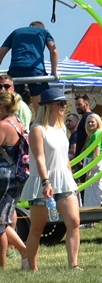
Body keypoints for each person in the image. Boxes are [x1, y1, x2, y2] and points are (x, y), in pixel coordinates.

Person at [21, 87, 80, 271]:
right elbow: (39, 158)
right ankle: (31, 267)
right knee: (37, 228)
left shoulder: (62, 128)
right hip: (42, 181)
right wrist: (46, 182)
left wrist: (71, 177)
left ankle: (74, 265)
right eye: (59, 103)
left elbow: (64, 156)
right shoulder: (37, 129)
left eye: (64, 102)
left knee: (74, 222)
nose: (64, 106)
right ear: (48, 106)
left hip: (64, 179)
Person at [0, 91, 27, 270]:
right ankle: (26, 252)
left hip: (4, 176)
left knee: (1, 224)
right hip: (16, 175)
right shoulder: (18, 122)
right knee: (3, 220)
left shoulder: (3, 126)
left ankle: (2, 265)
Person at [0, 22, 59, 101]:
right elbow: (54, 51)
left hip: (16, 69)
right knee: (40, 106)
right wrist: (54, 72)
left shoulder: (16, 32)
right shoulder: (43, 32)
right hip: (35, 70)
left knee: (12, 102)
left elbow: (1, 53)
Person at [80, 113, 102, 208]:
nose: (90, 124)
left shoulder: (97, 134)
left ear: (98, 122)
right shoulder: (98, 134)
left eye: (92, 122)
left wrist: (89, 170)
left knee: (95, 189)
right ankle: (97, 214)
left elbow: (96, 154)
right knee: (94, 190)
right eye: (88, 122)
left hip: (95, 164)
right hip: (96, 163)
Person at [69, 94, 92, 160]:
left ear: (86, 104)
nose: (77, 107)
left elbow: (89, 136)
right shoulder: (84, 117)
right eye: (76, 105)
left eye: (79, 104)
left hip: (85, 157)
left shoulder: (90, 117)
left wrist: (82, 154)